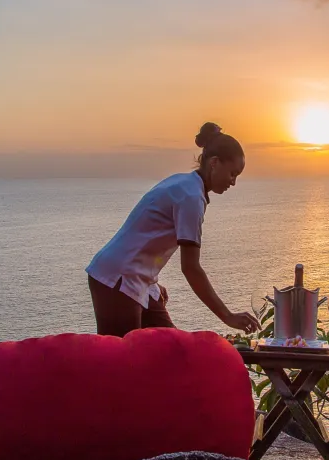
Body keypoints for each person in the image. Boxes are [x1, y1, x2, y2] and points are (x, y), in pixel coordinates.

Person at [85, 122, 261, 337]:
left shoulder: (183, 183)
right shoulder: (191, 197)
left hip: (140, 280)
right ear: (214, 163)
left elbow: (144, 235)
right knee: (121, 360)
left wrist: (152, 280)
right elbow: (191, 267)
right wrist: (227, 316)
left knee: (172, 349)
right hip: (117, 279)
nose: (233, 182)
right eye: (232, 173)